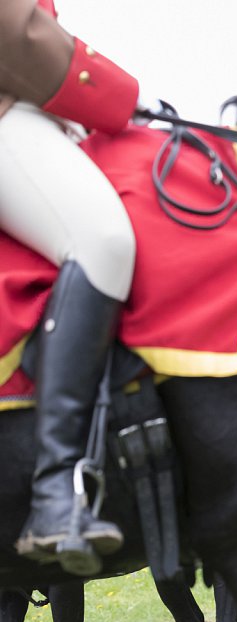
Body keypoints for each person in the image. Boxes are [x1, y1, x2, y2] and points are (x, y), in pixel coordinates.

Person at [0, 0, 160, 574]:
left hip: (37, 106)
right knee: (101, 240)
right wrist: (118, 95)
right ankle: (53, 492)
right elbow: (13, 28)